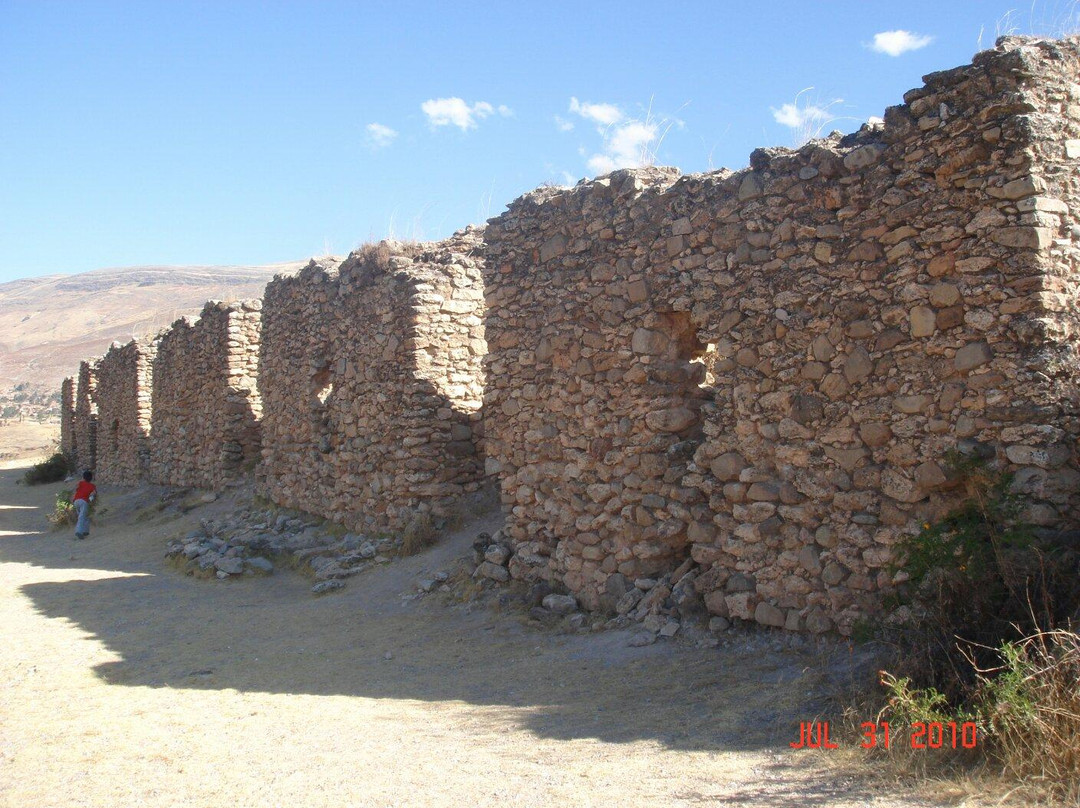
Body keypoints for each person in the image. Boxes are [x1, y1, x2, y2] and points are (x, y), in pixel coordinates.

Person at [72, 470, 96, 540]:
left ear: (83, 477)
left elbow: (75, 487)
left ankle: (85, 531)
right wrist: (91, 498)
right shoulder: (92, 486)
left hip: (76, 501)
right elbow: (94, 493)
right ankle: (79, 531)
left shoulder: (80, 483)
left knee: (84, 516)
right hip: (84, 502)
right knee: (82, 517)